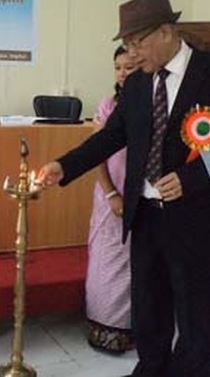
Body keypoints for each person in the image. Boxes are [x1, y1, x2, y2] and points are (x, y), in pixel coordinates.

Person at [37, 0, 210, 377]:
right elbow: (111, 136)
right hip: (146, 217)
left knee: (197, 320)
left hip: (199, 219)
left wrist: (193, 177)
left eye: (136, 42)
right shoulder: (139, 85)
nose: (131, 53)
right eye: (126, 45)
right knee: (149, 310)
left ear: (166, 32)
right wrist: (64, 165)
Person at [86, 46, 137, 354]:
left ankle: (131, 329)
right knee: (107, 263)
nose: (121, 73)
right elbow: (97, 155)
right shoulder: (107, 106)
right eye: (117, 67)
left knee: (134, 266)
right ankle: (103, 328)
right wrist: (111, 194)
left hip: (141, 198)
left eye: (128, 67)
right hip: (110, 196)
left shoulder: (153, 105)